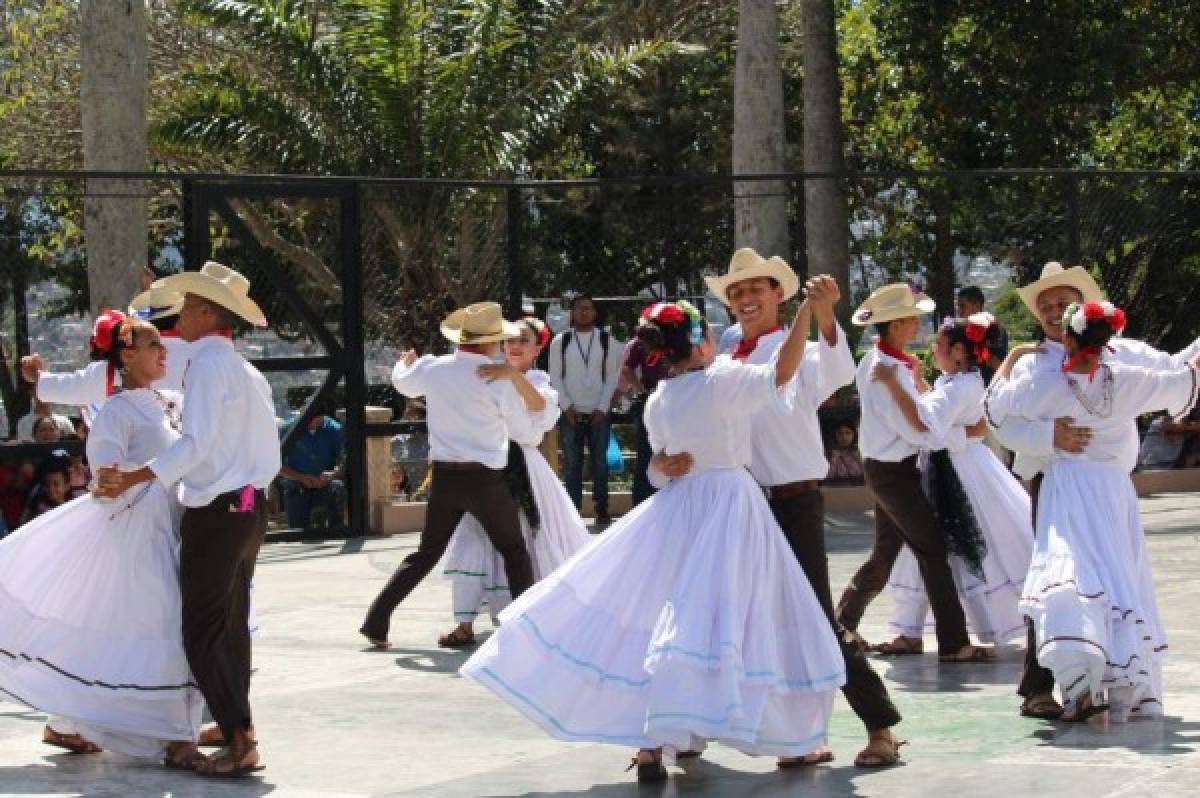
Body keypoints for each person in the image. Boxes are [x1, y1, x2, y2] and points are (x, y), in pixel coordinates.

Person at [463, 296, 848, 782]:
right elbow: (783, 372)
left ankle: (654, 741)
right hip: (729, 503)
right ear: (702, 343)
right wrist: (805, 315)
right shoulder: (723, 380)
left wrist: (661, 466)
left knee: (665, 612)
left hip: (679, 509)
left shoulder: (661, 399)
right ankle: (786, 739)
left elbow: (661, 466)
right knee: (746, 616)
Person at [668, 248, 905, 768]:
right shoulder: (723, 361)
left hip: (794, 501)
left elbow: (836, 369)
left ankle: (879, 725)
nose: (746, 297)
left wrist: (823, 317)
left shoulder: (800, 352)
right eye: (737, 291)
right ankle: (788, 738)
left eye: (756, 288)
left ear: (779, 294)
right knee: (736, 619)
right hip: (739, 506)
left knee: (814, 619)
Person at [989, 261, 1200, 720]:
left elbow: (1177, 365)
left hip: (1105, 485)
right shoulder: (1035, 365)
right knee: (1058, 577)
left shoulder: (1122, 356)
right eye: (1044, 305)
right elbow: (1003, 424)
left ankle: (1089, 682)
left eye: (1060, 303)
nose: (1051, 310)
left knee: (1079, 579)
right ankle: (1045, 685)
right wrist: (1050, 437)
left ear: (1077, 311)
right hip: (1055, 478)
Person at [95, 261, 279, 778]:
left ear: (203, 310)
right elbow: (263, 440)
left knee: (200, 628)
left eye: (185, 307)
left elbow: (196, 445)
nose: (180, 318)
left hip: (220, 508)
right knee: (231, 620)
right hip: (248, 502)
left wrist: (135, 478)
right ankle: (236, 721)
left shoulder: (207, 365)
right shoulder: (243, 368)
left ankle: (239, 737)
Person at [0, 318, 204, 765]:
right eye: (154, 345)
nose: (163, 352)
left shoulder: (169, 401)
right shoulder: (116, 411)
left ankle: (69, 721)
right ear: (127, 356)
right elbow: (106, 476)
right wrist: (138, 479)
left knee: (134, 628)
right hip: (137, 534)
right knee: (155, 624)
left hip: (171, 526)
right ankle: (172, 735)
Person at [359, 302, 536, 651]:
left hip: (444, 479)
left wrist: (404, 362)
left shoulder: (433, 368)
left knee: (425, 553)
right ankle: (526, 628)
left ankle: (376, 620)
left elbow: (403, 383)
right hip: (485, 479)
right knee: (514, 551)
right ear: (492, 342)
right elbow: (524, 433)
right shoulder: (497, 377)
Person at [835, 283, 993, 663]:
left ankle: (841, 624)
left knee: (887, 552)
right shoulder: (884, 370)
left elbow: (919, 421)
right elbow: (919, 430)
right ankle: (953, 642)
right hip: (892, 473)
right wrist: (964, 432)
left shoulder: (889, 365)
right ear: (896, 324)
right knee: (931, 548)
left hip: (891, 470)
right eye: (912, 319)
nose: (917, 324)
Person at [869, 314, 1032, 655]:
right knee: (927, 550)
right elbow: (946, 416)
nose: (934, 349)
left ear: (959, 350)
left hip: (958, 474)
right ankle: (912, 630)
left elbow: (926, 424)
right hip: (949, 466)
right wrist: (919, 385)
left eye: (940, 345)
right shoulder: (957, 381)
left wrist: (895, 383)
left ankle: (934, 633)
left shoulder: (962, 385)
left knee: (956, 550)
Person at [438, 316, 591, 647]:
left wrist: (511, 377)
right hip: (483, 465)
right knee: (473, 536)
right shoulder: (485, 374)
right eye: (509, 339)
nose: (515, 345)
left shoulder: (539, 382)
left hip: (522, 468)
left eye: (524, 339)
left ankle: (526, 615)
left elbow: (542, 413)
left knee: (526, 538)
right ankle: (464, 623)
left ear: (538, 348)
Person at [20, 289, 189, 426]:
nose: (164, 352)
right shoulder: (202, 352)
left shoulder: (105, 373)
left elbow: (62, 387)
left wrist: (37, 374)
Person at [548, 293, 622, 523]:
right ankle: (573, 512)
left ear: (595, 313)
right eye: (579, 308)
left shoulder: (605, 340)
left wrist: (602, 408)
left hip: (598, 411)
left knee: (600, 462)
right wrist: (566, 406)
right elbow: (555, 376)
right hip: (570, 411)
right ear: (572, 313)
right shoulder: (561, 341)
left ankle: (602, 509)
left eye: (588, 308)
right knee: (572, 464)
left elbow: (612, 376)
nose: (584, 312)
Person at [618, 334, 672, 506]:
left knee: (674, 450)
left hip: (674, 397)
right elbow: (627, 369)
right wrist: (641, 390)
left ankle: (669, 501)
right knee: (646, 453)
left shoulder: (676, 339)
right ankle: (642, 503)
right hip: (650, 398)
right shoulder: (640, 343)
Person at [278, 412, 346, 534]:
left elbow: (346, 460)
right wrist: (301, 477)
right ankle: (298, 533)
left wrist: (332, 474)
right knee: (297, 532)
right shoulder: (287, 429)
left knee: (338, 488)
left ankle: (337, 532)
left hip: (325, 484)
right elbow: (276, 465)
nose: (312, 422)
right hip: (297, 484)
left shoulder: (334, 429)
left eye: (316, 418)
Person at [955, 286, 1009, 383]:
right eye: (959, 307)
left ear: (976, 305)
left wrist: (981, 346)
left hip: (989, 387)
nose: (960, 312)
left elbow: (1000, 365)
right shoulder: (961, 330)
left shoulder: (995, 329)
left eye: (963, 306)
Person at [18, 449, 72, 526]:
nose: (51, 489)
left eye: (56, 484)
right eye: (46, 484)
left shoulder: (73, 506)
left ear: (67, 486)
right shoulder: (40, 511)